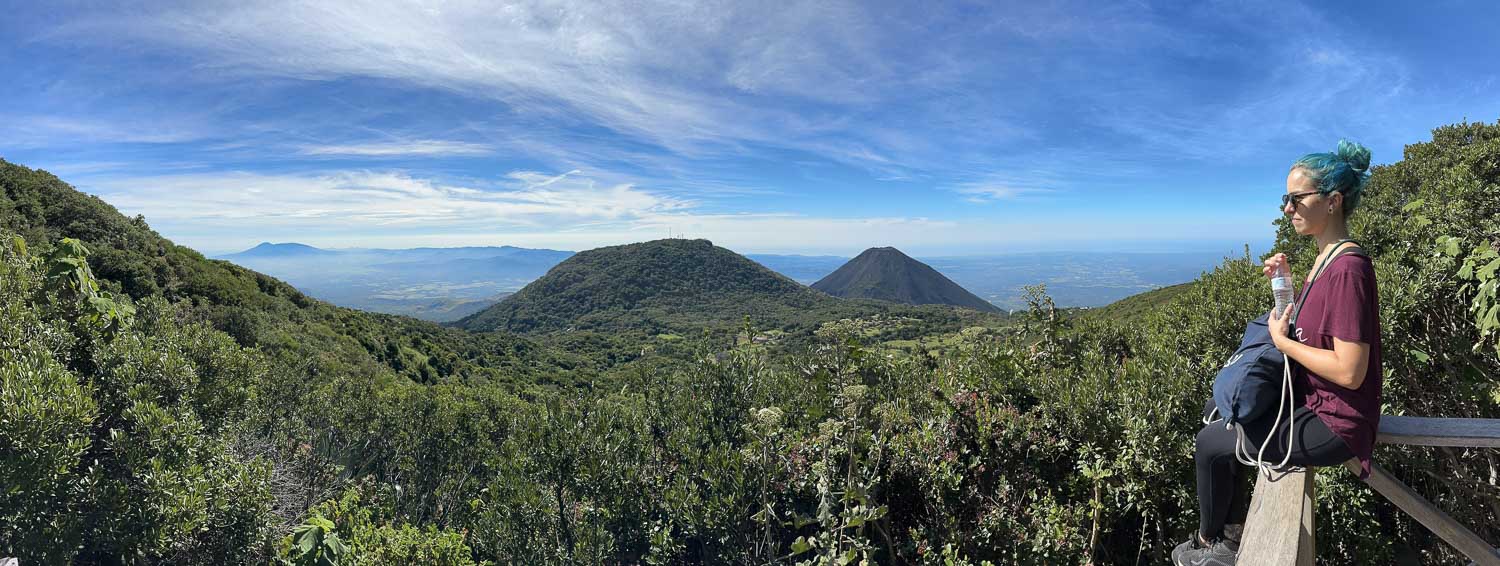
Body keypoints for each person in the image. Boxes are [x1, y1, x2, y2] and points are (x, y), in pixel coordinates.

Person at [1173, 140, 1384, 566]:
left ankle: (1210, 544)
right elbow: (1304, 323)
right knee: (1228, 413)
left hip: (1334, 423)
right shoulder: (1327, 258)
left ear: (1333, 201)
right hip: (1314, 403)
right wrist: (1283, 283)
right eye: (1284, 198)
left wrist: (1284, 344)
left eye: (1296, 198)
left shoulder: (1347, 269)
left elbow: (1350, 370)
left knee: (1210, 443)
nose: (1287, 207)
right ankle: (1224, 541)